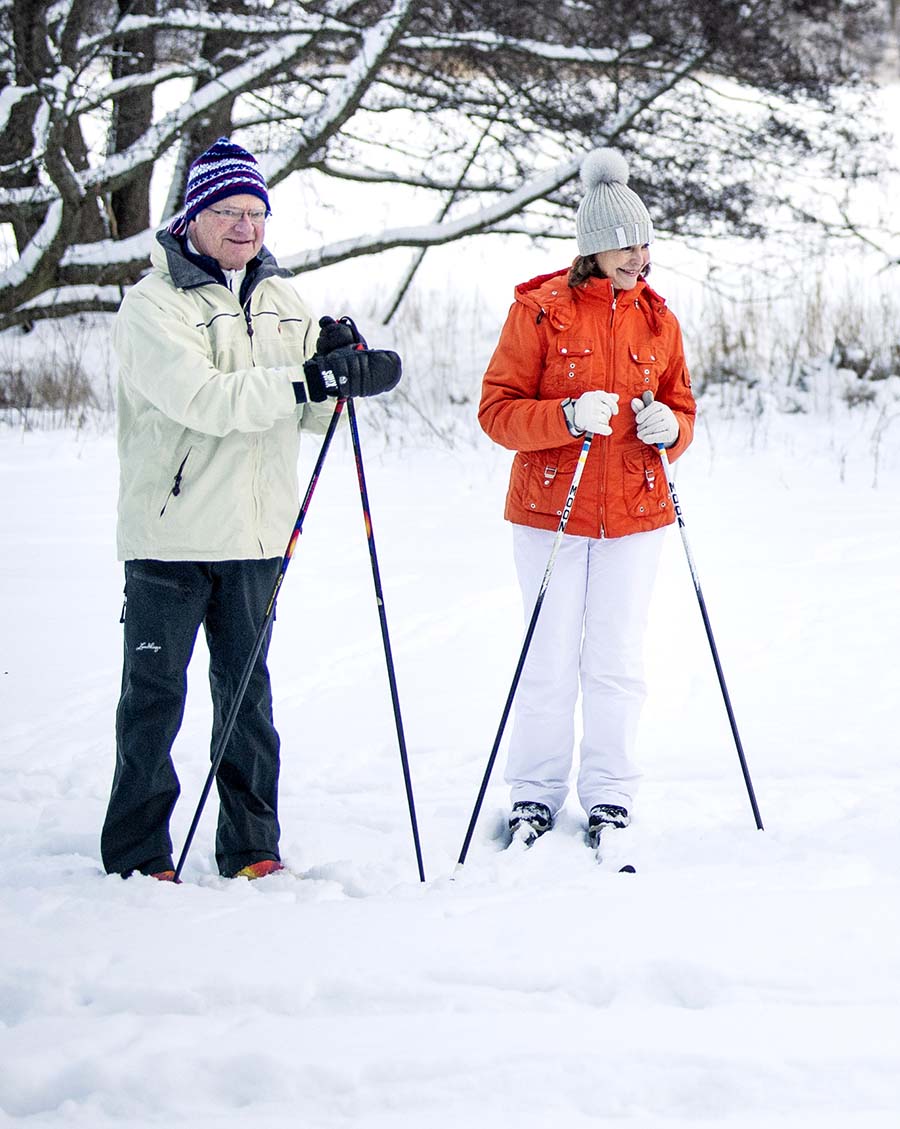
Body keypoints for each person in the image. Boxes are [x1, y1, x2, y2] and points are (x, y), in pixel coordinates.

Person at [101, 137, 400, 882]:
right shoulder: (151, 304)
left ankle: (252, 847)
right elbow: (203, 400)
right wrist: (305, 381)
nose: (246, 226)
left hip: (258, 534)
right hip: (169, 539)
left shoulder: (281, 297)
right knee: (154, 701)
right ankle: (138, 855)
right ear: (194, 216)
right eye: (229, 210)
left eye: (257, 212)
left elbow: (303, 417)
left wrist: (340, 373)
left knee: (247, 702)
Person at [478, 148, 696, 850]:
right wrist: (566, 417)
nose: (639, 256)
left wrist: (672, 426)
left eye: (645, 243)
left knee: (616, 660)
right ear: (592, 247)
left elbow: (680, 407)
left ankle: (609, 794)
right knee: (547, 659)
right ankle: (534, 795)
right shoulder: (539, 313)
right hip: (552, 512)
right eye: (625, 244)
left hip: (636, 516)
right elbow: (496, 411)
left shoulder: (660, 322)